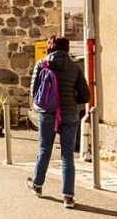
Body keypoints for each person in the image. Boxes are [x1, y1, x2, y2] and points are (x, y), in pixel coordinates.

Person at [27, 36, 90, 209]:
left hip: (48, 113)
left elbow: (34, 91)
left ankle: (37, 185)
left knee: (44, 150)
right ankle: (68, 197)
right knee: (67, 155)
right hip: (70, 114)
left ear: (50, 47)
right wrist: (70, 99)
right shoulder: (75, 67)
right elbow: (86, 96)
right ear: (67, 48)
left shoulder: (42, 64)